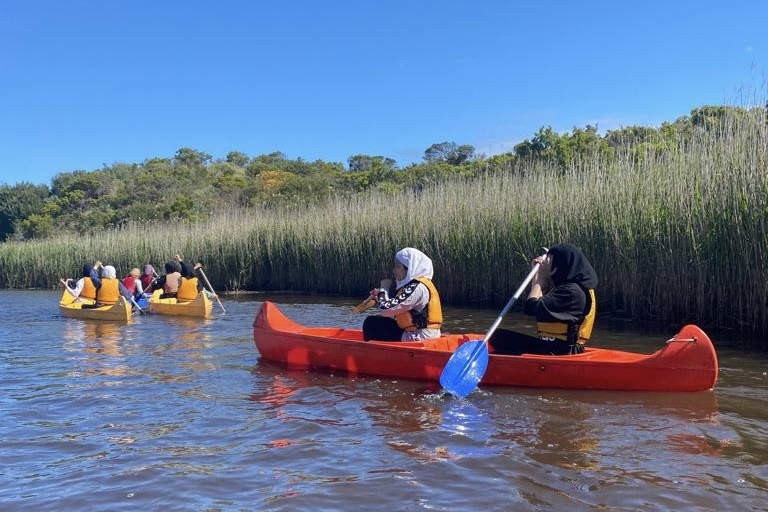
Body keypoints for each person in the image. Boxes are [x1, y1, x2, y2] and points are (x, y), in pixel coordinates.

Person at [489, 243, 598, 356]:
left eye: (550, 261)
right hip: (553, 347)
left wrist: (540, 279)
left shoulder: (571, 292)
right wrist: (536, 274)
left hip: (561, 351)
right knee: (502, 336)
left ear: (559, 265)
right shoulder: (570, 288)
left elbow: (531, 306)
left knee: (500, 338)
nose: (547, 265)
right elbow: (536, 303)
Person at [362, 247, 443, 341]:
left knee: (371, 323)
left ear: (409, 268)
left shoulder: (416, 287)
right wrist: (379, 298)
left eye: (397, 266)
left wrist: (382, 292)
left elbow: (386, 309)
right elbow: (394, 312)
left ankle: (370, 353)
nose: (394, 270)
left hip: (419, 337)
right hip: (422, 333)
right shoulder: (417, 285)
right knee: (382, 321)